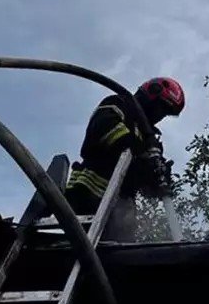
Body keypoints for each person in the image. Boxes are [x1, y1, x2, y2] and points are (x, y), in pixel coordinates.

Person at [65, 77, 185, 219]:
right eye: (161, 107)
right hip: (86, 194)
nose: (160, 115)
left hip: (120, 212)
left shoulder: (150, 141)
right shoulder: (118, 104)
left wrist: (157, 177)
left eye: (166, 112)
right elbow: (105, 128)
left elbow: (146, 188)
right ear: (151, 93)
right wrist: (140, 154)